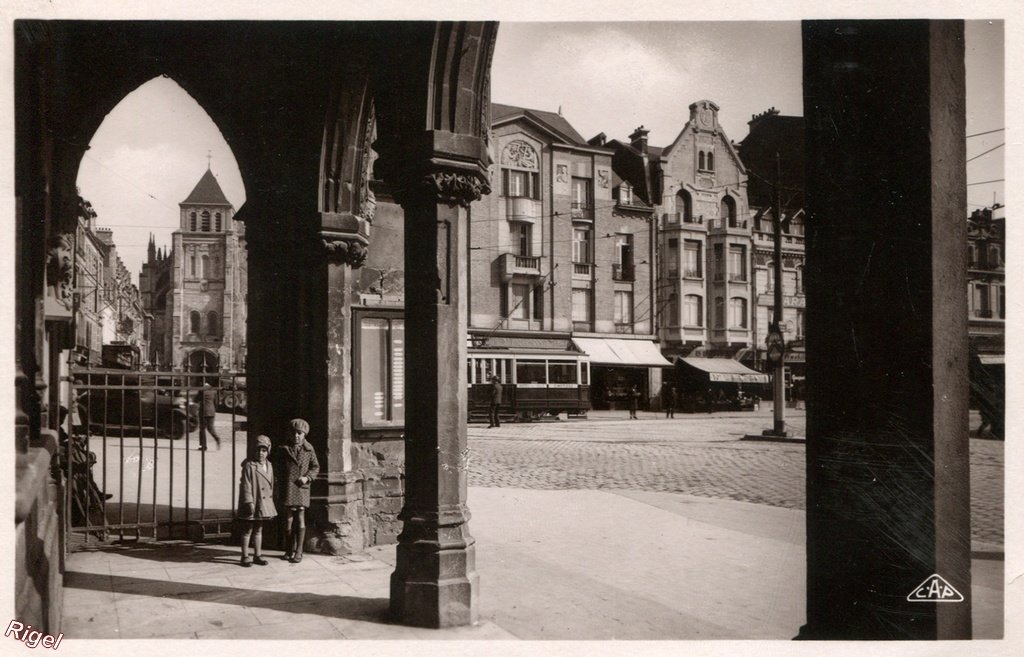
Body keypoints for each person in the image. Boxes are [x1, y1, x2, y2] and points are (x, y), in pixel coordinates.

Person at [274, 418, 320, 563]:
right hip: (287, 487)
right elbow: (277, 467)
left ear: (304, 434)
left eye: (299, 433)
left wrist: (307, 478)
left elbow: (315, 467)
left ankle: (299, 551)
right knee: (288, 520)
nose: (296, 436)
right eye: (294, 433)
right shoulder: (283, 448)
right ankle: (289, 548)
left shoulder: (309, 449)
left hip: (301, 488)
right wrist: (278, 482)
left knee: (300, 518)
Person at [237, 435, 277, 567]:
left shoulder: (269, 465)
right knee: (247, 529)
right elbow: (246, 485)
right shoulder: (250, 466)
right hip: (252, 502)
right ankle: (244, 555)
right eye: (258, 450)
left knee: (259, 529)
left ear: (268, 451)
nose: (261, 453)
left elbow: (270, 484)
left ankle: (257, 554)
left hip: (262, 503)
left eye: (264, 450)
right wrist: (249, 502)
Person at [196, 381, 221, 451]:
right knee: (210, 428)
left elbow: (197, 399)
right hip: (211, 412)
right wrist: (214, 410)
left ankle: (203, 446)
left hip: (203, 412)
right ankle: (217, 438)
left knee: (202, 429)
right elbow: (216, 402)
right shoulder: (213, 391)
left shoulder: (201, 390)